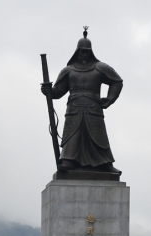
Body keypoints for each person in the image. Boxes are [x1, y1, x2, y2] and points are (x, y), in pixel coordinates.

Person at [41, 27, 124, 174]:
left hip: (94, 108)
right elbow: (59, 91)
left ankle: (104, 163)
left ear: (91, 51)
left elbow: (117, 81)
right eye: (82, 51)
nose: (84, 54)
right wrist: (49, 91)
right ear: (77, 51)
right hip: (74, 108)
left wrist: (109, 100)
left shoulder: (100, 68)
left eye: (87, 51)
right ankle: (68, 160)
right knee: (73, 134)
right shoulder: (69, 70)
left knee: (98, 136)